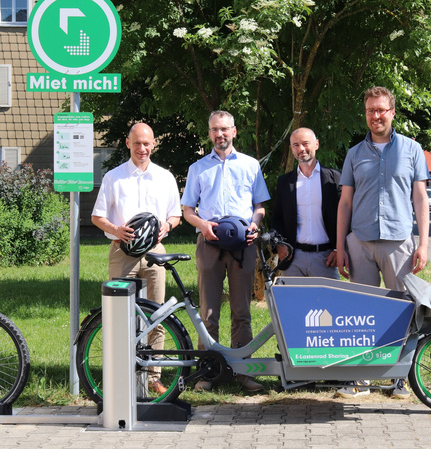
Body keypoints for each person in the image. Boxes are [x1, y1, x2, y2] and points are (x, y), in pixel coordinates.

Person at [336, 86, 430, 399]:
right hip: (360, 242)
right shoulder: (354, 154)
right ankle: (360, 379)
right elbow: (345, 204)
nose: (375, 116)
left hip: (399, 242)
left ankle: (397, 379)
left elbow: (420, 198)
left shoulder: (411, 150)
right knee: (359, 313)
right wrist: (341, 247)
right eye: (370, 111)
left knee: (402, 312)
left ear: (392, 112)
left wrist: (424, 243)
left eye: (381, 110)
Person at [181, 110, 270, 393]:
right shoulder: (197, 168)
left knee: (242, 311)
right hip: (209, 243)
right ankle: (208, 372)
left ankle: (244, 372)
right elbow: (187, 211)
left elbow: (259, 206)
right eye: (215, 130)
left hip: (243, 245)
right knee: (208, 312)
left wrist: (255, 225)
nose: (220, 134)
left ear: (234, 131)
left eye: (225, 129)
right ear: (209, 133)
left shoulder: (250, 165)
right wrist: (203, 225)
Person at [91, 122, 182, 395]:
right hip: (122, 253)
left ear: (154, 144)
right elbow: (97, 216)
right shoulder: (114, 177)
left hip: (155, 254)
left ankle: (153, 376)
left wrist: (168, 226)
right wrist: (116, 230)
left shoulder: (165, 177)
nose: (142, 148)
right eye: (137, 143)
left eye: (147, 143)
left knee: (157, 315)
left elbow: (175, 214)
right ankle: (121, 375)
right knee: (119, 315)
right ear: (128, 143)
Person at [272, 127, 341, 278]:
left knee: (327, 302)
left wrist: (339, 249)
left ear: (316, 144)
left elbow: (345, 217)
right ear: (291, 149)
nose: (301, 149)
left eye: (305, 143)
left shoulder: (335, 179)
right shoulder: (285, 182)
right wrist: (279, 244)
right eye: (296, 145)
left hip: (325, 258)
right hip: (292, 259)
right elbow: (277, 217)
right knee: (294, 302)